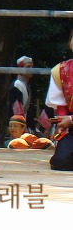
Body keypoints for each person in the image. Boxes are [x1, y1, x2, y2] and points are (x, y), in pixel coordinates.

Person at [44, 30, 73, 170]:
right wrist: (63, 120)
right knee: (61, 161)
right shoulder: (61, 70)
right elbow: (60, 106)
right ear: (69, 43)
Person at [9, 55, 35, 130]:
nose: (31, 69)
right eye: (28, 67)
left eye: (32, 67)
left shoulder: (25, 85)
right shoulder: (17, 85)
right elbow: (17, 109)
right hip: (20, 126)